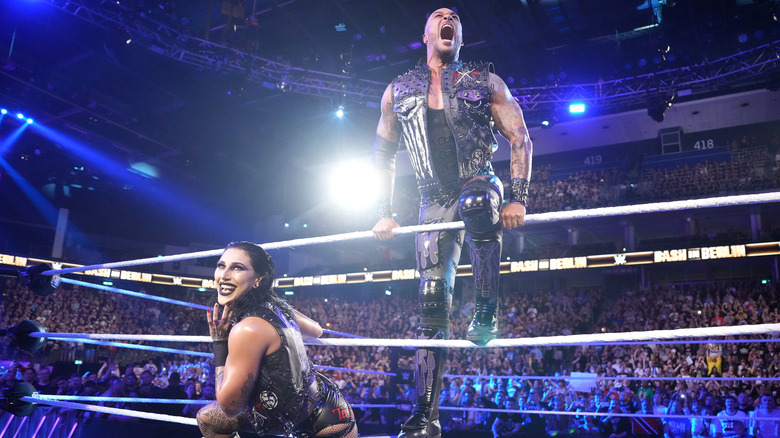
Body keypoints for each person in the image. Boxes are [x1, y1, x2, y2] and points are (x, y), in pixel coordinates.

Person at [371, 7, 532, 438]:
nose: (449, 18)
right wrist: (383, 210)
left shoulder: (485, 82)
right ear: (425, 32)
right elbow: (382, 155)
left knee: (478, 202)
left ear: (460, 35)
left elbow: (520, 137)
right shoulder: (398, 90)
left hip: (481, 180)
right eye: (440, 15)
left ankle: (485, 308)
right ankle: (425, 415)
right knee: (429, 297)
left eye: (455, 17)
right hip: (432, 198)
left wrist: (518, 199)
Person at [195, 241, 357, 438]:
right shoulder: (275, 308)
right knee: (207, 418)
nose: (224, 275)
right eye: (221, 266)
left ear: (258, 279)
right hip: (328, 408)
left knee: (207, 419)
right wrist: (271, 297)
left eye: (238, 268)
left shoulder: (247, 328)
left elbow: (230, 407)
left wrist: (219, 344)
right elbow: (316, 330)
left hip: (322, 424)